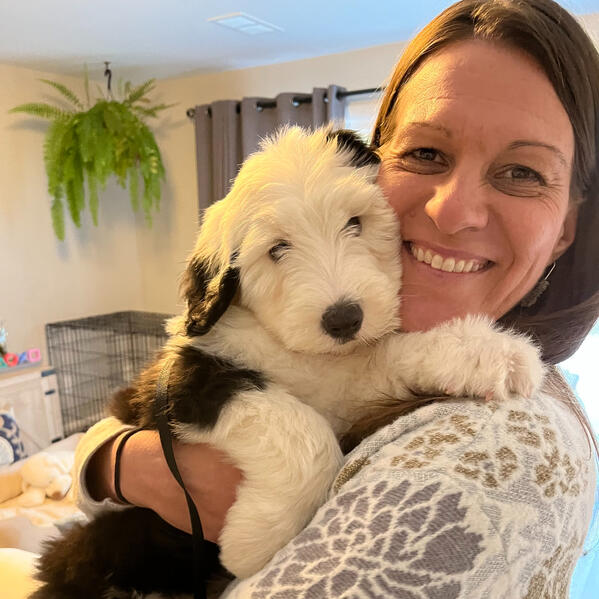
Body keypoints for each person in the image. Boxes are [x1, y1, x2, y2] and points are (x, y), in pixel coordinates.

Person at [8, 0, 598, 597]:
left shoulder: (502, 447)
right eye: (426, 154)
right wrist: (113, 462)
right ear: (382, 165)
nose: (452, 211)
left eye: (523, 171)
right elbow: (154, 400)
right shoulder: (251, 337)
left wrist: (127, 464)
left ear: (569, 227)